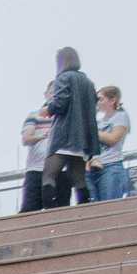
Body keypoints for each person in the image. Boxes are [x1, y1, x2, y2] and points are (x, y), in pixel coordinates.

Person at [45, 48, 99, 210]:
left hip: (63, 136)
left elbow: (60, 103)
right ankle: (84, 212)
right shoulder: (88, 82)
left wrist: (49, 109)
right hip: (82, 139)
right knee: (79, 180)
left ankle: (48, 214)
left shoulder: (62, 78)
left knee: (48, 175)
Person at [92, 86, 132, 202]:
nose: (97, 103)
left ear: (112, 100)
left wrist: (92, 131)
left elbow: (114, 138)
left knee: (109, 206)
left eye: (100, 99)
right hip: (93, 168)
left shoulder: (121, 116)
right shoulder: (99, 121)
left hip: (111, 165)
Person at [19, 99, 55, 213]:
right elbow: (26, 139)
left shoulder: (63, 117)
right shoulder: (34, 116)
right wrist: (41, 136)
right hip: (35, 169)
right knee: (30, 209)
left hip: (59, 169)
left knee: (57, 208)